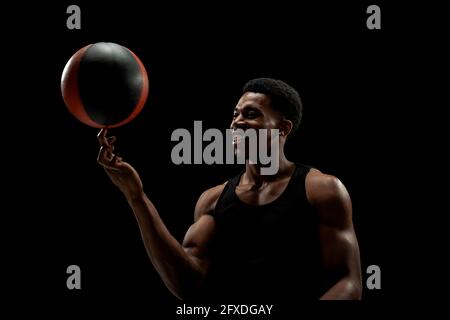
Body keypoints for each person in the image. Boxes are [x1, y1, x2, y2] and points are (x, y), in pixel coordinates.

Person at [97, 78, 362, 301]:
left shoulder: (322, 189)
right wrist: (136, 196)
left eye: (250, 114)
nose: (236, 123)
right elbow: (186, 284)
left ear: (283, 128)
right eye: (235, 114)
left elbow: (348, 283)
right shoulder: (212, 200)